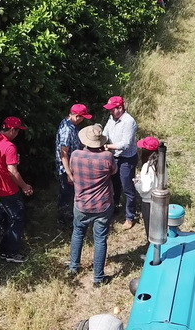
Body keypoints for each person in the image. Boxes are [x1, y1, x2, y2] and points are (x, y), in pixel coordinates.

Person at [68, 124, 118, 287]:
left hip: (81, 203)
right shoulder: (107, 157)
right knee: (100, 239)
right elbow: (113, 172)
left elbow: (73, 172)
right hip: (102, 205)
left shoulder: (75, 155)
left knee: (77, 234)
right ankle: (98, 278)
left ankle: (73, 267)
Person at [0, 116, 33, 263]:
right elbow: (12, 172)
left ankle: (1, 250)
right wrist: (25, 186)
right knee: (16, 219)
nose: (18, 134)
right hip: (8, 190)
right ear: (12, 129)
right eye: (18, 131)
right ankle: (11, 252)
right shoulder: (10, 147)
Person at [102, 95, 138, 230]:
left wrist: (106, 147)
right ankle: (115, 208)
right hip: (114, 157)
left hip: (126, 158)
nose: (110, 112)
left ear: (120, 108)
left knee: (127, 187)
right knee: (114, 185)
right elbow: (105, 133)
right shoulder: (112, 118)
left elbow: (126, 144)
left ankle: (130, 217)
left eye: (112, 109)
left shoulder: (129, 122)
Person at [55, 104, 92, 225]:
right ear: (77, 116)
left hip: (72, 166)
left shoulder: (70, 123)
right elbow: (63, 153)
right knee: (67, 195)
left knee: (69, 194)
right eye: (82, 117)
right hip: (66, 169)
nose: (83, 120)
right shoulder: (67, 129)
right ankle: (65, 222)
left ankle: (68, 218)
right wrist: (69, 173)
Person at [134, 136, 160, 242]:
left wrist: (137, 183)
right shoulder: (160, 163)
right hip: (159, 201)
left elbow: (145, 188)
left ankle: (152, 253)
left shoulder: (147, 166)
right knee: (159, 228)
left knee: (150, 230)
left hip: (148, 202)